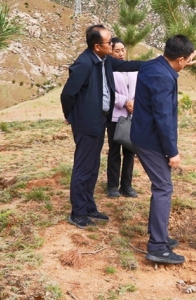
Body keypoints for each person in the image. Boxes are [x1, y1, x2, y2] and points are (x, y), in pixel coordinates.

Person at [60, 25, 142, 229]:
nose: (112, 45)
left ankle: (88, 206)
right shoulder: (84, 63)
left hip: (99, 121)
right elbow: (67, 94)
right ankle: (77, 212)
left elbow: (127, 65)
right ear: (97, 46)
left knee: (93, 166)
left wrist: (160, 63)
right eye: (109, 43)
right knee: (83, 167)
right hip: (86, 124)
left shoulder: (104, 60)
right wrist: (72, 117)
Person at [130, 35, 196, 264]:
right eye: (186, 59)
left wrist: (184, 62)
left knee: (162, 186)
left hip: (143, 134)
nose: (187, 63)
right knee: (163, 188)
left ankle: (159, 236)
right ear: (180, 58)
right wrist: (172, 152)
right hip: (151, 140)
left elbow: (174, 65)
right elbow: (163, 117)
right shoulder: (162, 77)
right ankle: (157, 246)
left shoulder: (154, 65)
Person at [106, 38, 138, 199]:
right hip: (115, 116)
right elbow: (108, 92)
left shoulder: (132, 69)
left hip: (132, 116)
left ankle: (127, 185)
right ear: (110, 52)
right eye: (116, 50)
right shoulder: (108, 69)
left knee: (130, 151)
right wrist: (124, 102)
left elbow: (140, 89)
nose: (120, 53)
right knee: (114, 151)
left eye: (122, 50)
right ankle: (112, 186)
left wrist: (134, 102)